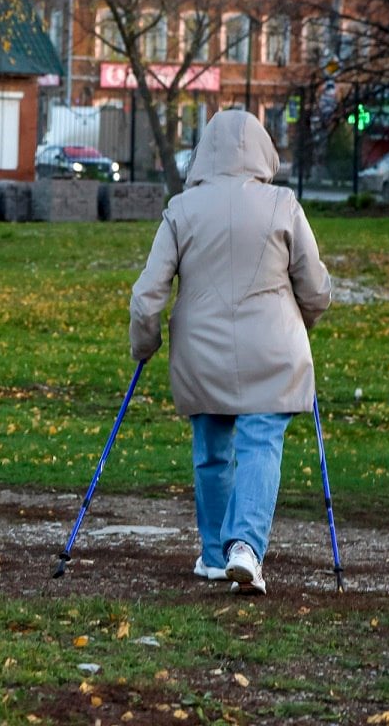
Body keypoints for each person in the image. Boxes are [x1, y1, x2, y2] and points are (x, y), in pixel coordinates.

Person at [129, 109, 331, 595]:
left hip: (201, 352)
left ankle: (218, 554)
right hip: (273, 349)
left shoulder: (182, 208)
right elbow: (317, 287)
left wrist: (145, 343)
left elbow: (146, 296)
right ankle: (245, 548)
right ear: (263, 151)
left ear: (204, 153)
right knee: (261, 442)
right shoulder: (283, 203)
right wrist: (303, 323)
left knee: (212, 452)